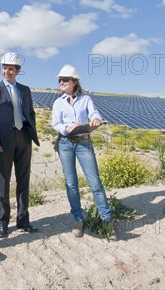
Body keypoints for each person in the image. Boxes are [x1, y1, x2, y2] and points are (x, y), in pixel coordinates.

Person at [51, 64, 114, 238]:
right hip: (65, 144)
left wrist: (95, 120)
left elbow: (95, 115)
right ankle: (78, 219)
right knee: (71, 183)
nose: (61, 82)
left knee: (95, 183)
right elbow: (56, 123)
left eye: (65, 79)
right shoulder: (58, 103)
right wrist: (68, 127)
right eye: (60, 80)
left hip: (84, 143)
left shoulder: (86, 100)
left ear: (74, 82)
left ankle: (107, 221)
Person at [0, 52, 40, 238]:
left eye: (11, 68)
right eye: (4, 68)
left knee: (23, 181)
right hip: (3, 141)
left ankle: (23, 220)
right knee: (2, 182)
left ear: (18, 70)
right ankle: (3, 222)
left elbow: (31, 113)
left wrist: (30, 131)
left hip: (24, 137)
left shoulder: (25, 90)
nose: (7, 71)